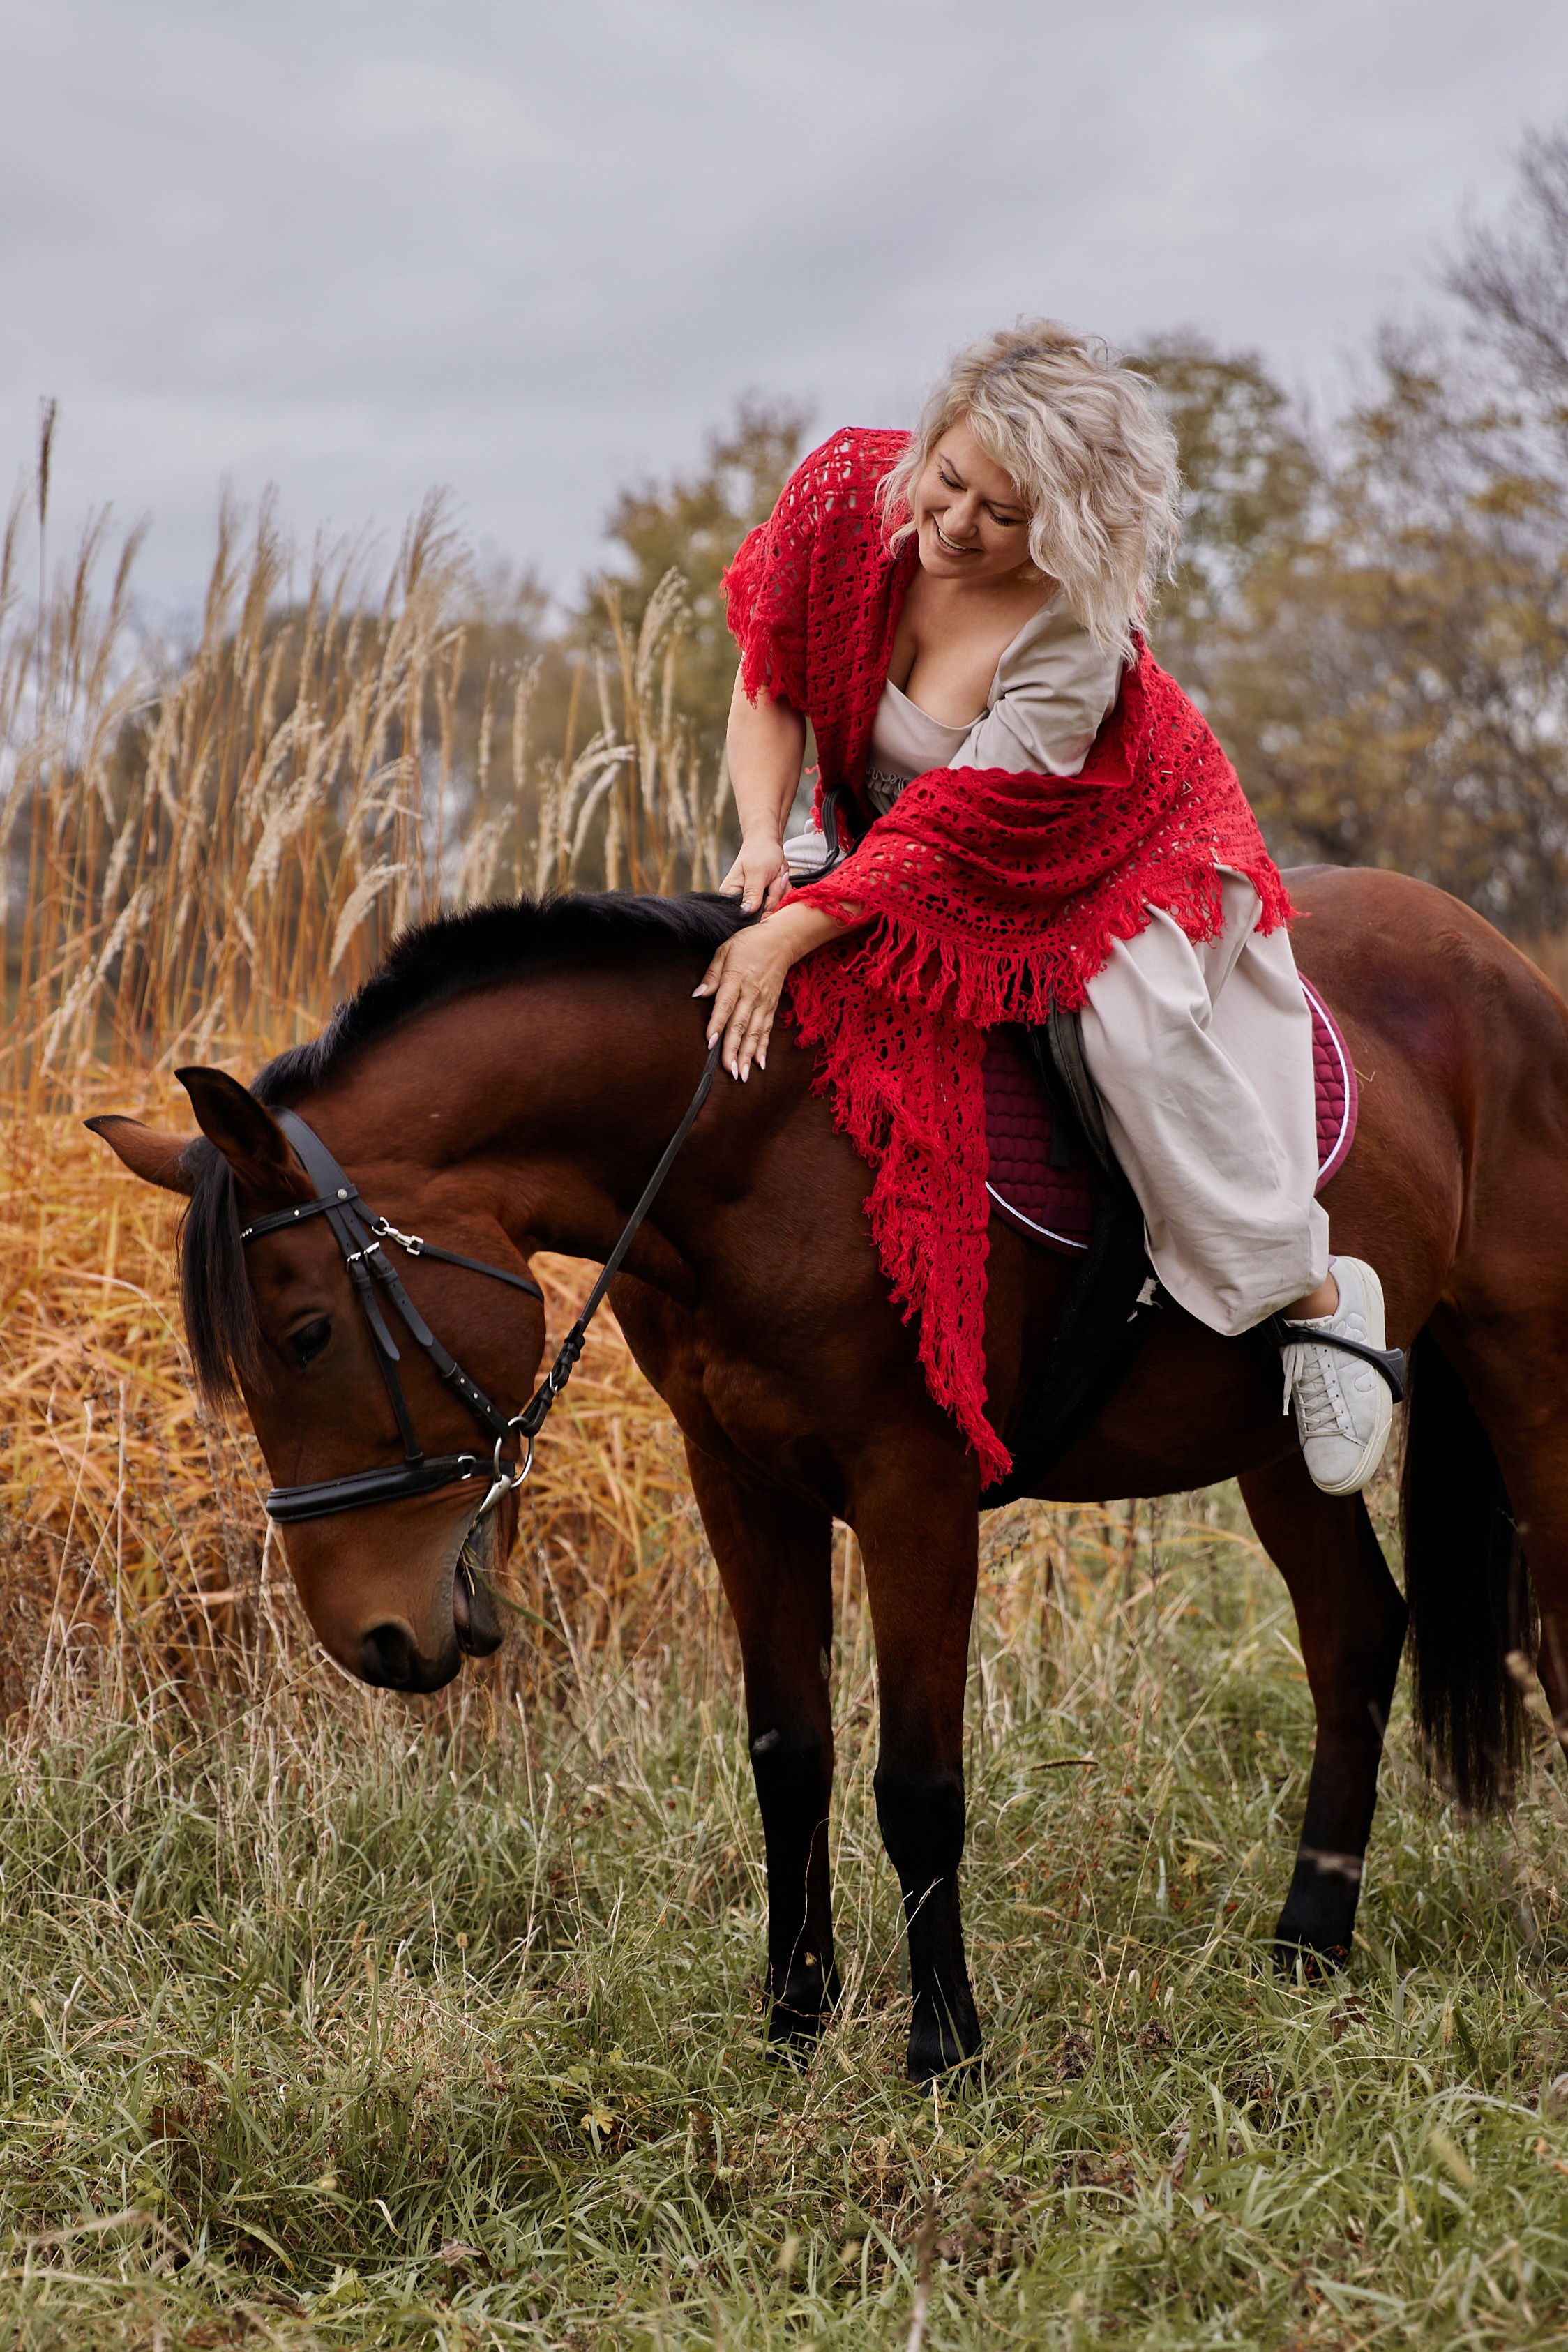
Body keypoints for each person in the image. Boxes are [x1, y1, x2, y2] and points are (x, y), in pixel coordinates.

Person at [694, 322, 1394, 1498]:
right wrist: (767, 847)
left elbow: (960, 835)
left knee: (1134, 1032)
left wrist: (805, 923)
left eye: (1004, 515)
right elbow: (768, 673)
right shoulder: (843, 494)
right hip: (884, 837)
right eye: (949, 479)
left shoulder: (1073, 633)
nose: (956, 524)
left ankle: (1311, 1292)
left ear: (1062, 530)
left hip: (1100, 848)